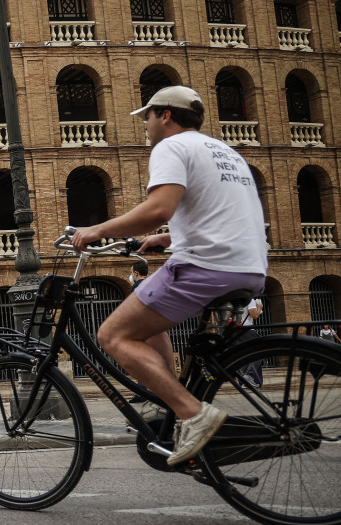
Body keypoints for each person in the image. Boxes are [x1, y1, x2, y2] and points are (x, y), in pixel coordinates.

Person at [71, 85, 267, 466]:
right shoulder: (225, 152)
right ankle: (169, 399)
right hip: (251, 265)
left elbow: (159, 207)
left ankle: (192, 413)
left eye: (147, 116)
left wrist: (98, 230)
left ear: (165, 115)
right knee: (144, 316)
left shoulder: (171, 147)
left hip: (207, 265)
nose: (144, 124)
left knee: (112, 335)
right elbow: (218, 211)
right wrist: (170, 236)